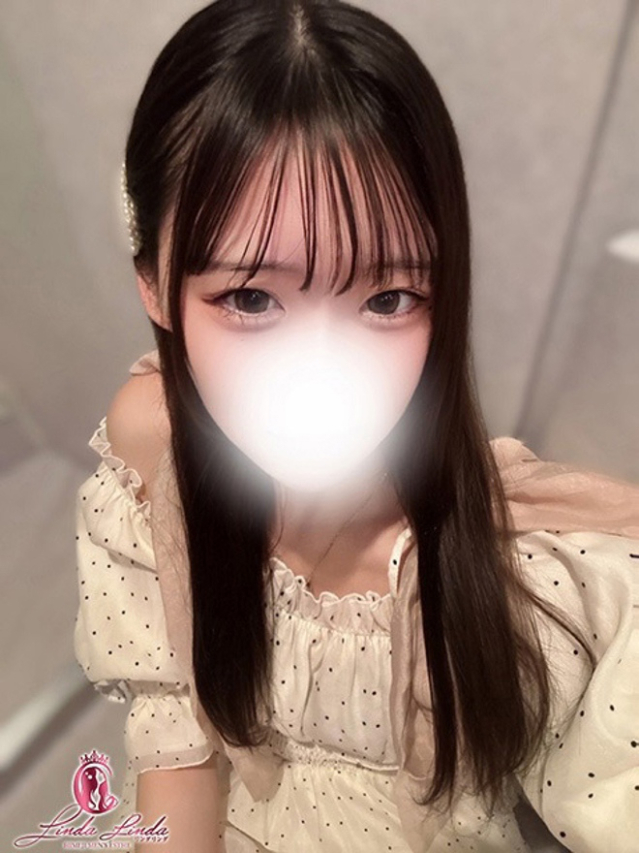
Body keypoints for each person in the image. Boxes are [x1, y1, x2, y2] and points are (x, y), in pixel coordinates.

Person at [73, 1, 639, 851]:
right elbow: (174, 739)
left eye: (387, 297)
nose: (320, 376)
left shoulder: (536, 580)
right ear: (152, 283)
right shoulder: (152, 453)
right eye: (250, 297)